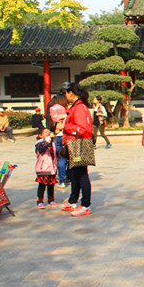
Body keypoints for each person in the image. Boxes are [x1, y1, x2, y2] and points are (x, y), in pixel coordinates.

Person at [61, 83, 93, 217]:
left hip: (79, 144)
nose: (65, 96)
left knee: (81, 175)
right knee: (73, 174)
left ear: (71, 93)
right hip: (74, 144)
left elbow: (82, 128)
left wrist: (66, 126)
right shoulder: (76, 106)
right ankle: (73, 200)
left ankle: (85, 204)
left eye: (66, 93)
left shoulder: (79, 108)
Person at [34, 128, 58, 209]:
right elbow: (42, 149)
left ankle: (51, 199)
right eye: (45, 132)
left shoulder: (52, 143)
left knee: (51, 185)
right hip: (43, 168)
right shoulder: (39, 143)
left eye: (49, 132)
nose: (48, 133)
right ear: (40, 135)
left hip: (52, 168)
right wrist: (48, 140)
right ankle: (40, 201)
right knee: (42, 185)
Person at [49, 95, 69, 189]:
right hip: (68, 137)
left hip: (61, 137)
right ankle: (67, 177)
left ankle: (62, 180)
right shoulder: (65, 111)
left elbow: (58, 126)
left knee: (61, 158)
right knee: (66, 158)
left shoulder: (56, 110)